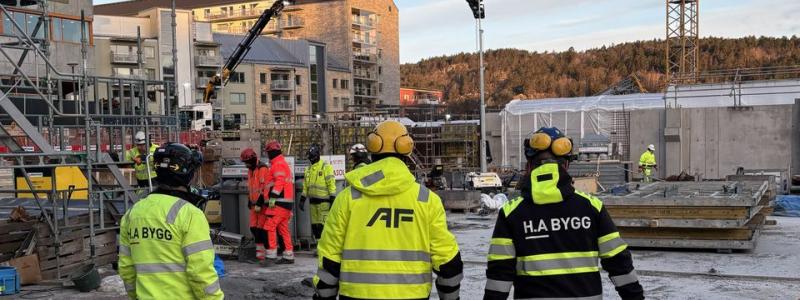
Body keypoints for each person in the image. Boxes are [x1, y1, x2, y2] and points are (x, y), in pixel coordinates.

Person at [484, 127, 643, 300]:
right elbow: (619, 262)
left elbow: (499, 275)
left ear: (529, 165)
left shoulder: (511, 213)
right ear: (566, 165)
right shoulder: (592, 207)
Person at [313, 120, 463, 300]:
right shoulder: (427, 200)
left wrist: (324, 296)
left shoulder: (348, 199)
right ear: (407, 150)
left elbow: (329, 259)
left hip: (357, 296)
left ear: (372, 148)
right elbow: (448, 263)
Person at [119, 143, 223, 299]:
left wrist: (136, 295)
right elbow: (201, 272)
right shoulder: (190, 214)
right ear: (187, 174)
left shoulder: (133, 213)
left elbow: (127, 269)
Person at [263, 140, 295, 265]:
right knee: (283, 229)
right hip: (284, 203)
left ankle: (271, 256)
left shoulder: (278, 164)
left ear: (272, 152)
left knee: (269, 226)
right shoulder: (280, 163)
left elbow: (279, 181)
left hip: (278, 203)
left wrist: (273, 196)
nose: (267, 155)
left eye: (268, 152)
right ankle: (288, 255)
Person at [300, 144, 337, 241]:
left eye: (311, 157)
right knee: (315, 227)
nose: (310, 159)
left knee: (322, 226)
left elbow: (331, 183)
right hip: (313, 202)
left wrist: (333, 198)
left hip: (324, 202)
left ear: (316, 156)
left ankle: (324, 247)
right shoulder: (308, 169)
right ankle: (318, 247)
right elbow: (305, 187)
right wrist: (302, 199)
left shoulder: (325, 167)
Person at [241, 148, 270, 264]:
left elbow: (265, 187)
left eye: (246, 162)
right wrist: (249, 199)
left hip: (261, 204)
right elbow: (251, 187)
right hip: (254, 204)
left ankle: (265, 254)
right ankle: (260, 254)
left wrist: (260, 201)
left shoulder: (262, 169)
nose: (245, 165)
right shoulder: (251, 170)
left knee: (261, 229)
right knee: (253, 227)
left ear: (252, 160)